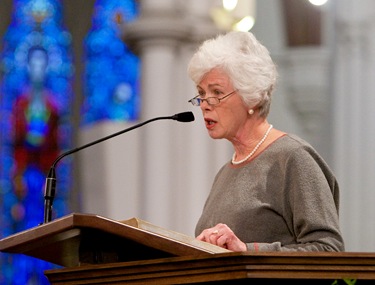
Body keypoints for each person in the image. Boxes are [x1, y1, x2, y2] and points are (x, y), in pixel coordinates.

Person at [187, 31, 344, 252]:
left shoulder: (292, 157)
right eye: (201, 93)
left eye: (216, 92)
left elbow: (329, 249)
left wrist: (249, 250)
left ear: (253, 96)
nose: (204, 104)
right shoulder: (225, 172)